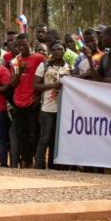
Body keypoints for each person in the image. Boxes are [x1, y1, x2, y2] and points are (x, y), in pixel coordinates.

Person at [32, 41, 71, 169]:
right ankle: (39, 165)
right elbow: (36, 86)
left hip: (63, 109)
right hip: (47, 108)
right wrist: (53, 86)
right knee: (45, 137)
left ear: (64, 51)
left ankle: (54, 165)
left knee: (57, 139)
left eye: (60, 49)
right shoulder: (43, 66)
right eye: (54, 49)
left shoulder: (69, 67)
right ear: (50, 52)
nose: (57, 52)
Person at [9, 35, 44, 168]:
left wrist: (38, 95)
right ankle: (25, 160)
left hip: (32, 101)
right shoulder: (16, 61)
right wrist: (20, 71)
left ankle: (36, 159)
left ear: (29, 44)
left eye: (24, 45)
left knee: (34, 133)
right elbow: (13, 83)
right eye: (19, 46)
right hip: (19, 101)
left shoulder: (38, 58)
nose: (21, 48)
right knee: (22, 133)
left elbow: (43, 77)